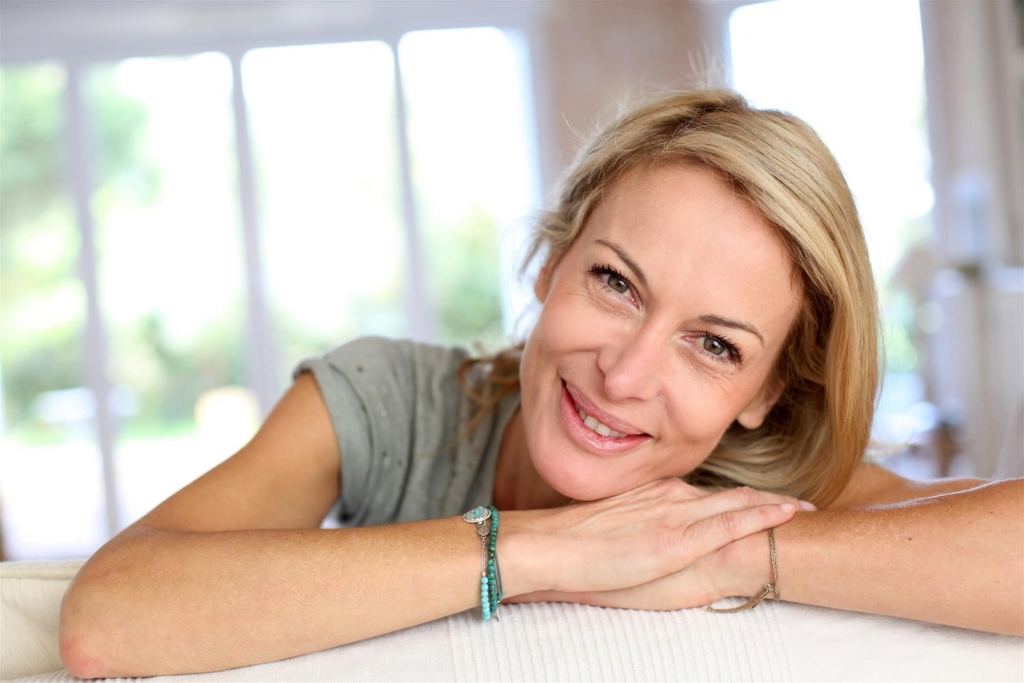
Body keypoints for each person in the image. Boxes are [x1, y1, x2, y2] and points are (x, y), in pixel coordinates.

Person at [58, 89, 1023, 679]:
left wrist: (730, 561)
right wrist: (541, 551)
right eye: (615, 282)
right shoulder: (391, 401)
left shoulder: (748, 492)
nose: (627, 373)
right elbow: (109, 618)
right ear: (549, 266)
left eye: (716, 346)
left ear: (766, 394)